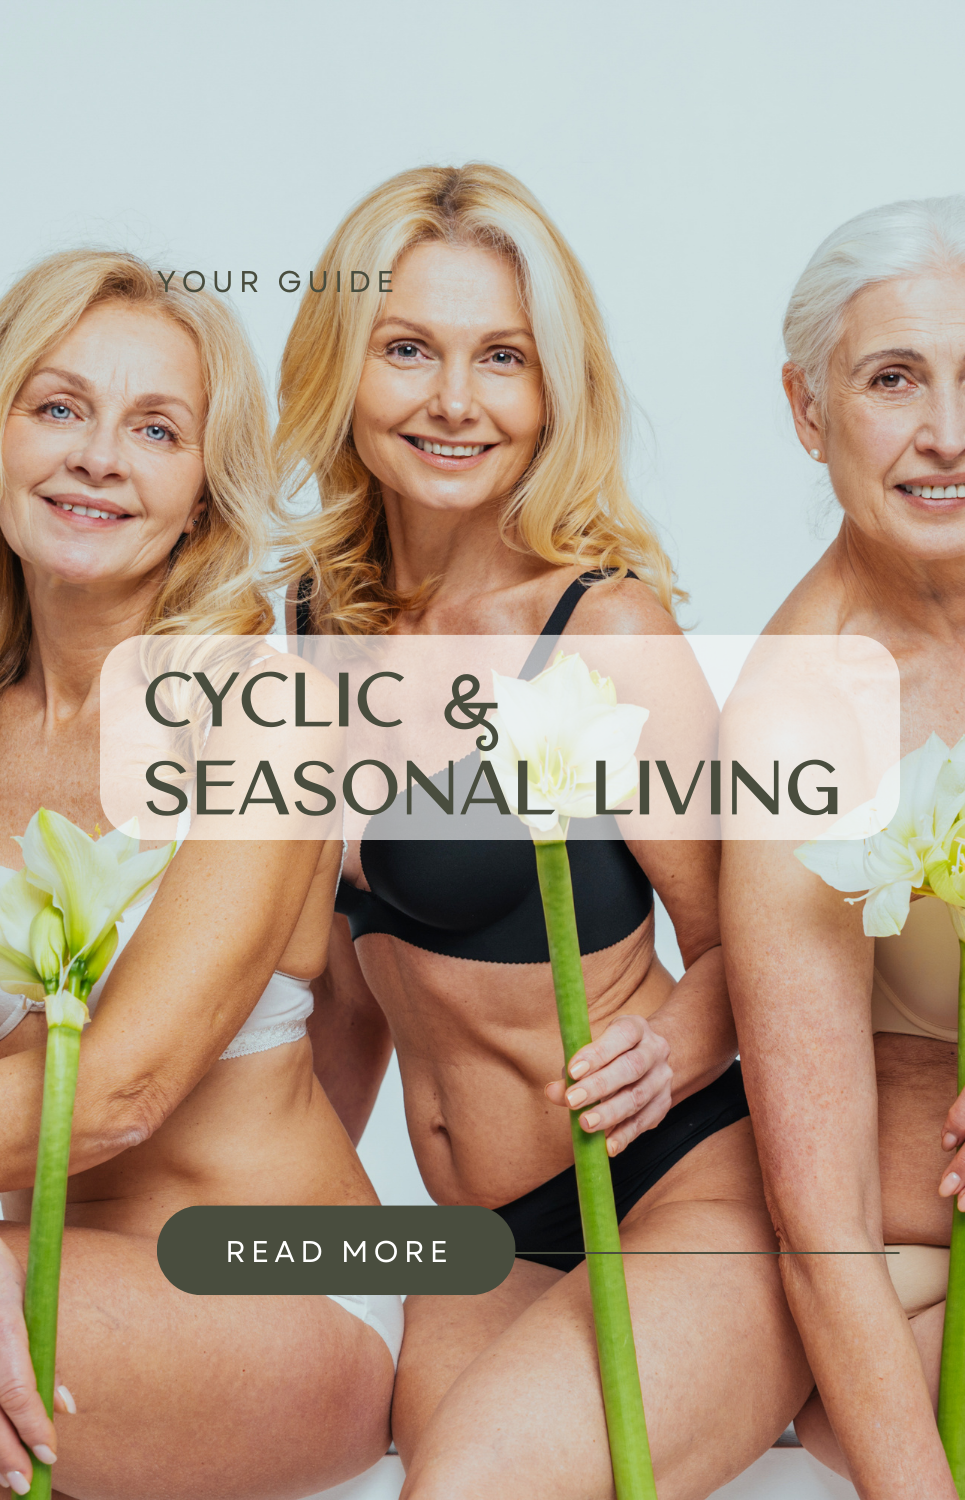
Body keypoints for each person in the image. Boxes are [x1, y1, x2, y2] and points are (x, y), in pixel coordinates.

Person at [278, 162, 811, 1498]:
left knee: (475, 1487)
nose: (455, 401)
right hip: (481, 1239)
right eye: (409, 349)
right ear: (344, 366)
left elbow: (753, 950)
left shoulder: (607, 632)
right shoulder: (299, 625)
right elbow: (344, 990)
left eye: (502, 358)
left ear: (551, 391)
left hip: (681, 1189)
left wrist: (654, 1045)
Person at [0, 251, 399, 1500]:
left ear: (202, 498)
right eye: (58, 407)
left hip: (269, 1289)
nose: (98, 457)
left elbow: (116, 1091)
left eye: (155, 429)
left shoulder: (260, 718)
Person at [722, 196, 965, 1496]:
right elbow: (820, 1231)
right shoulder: (803, 715)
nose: (951, 432)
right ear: (808, 410)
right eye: (896, 379)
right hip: (929, 1289)